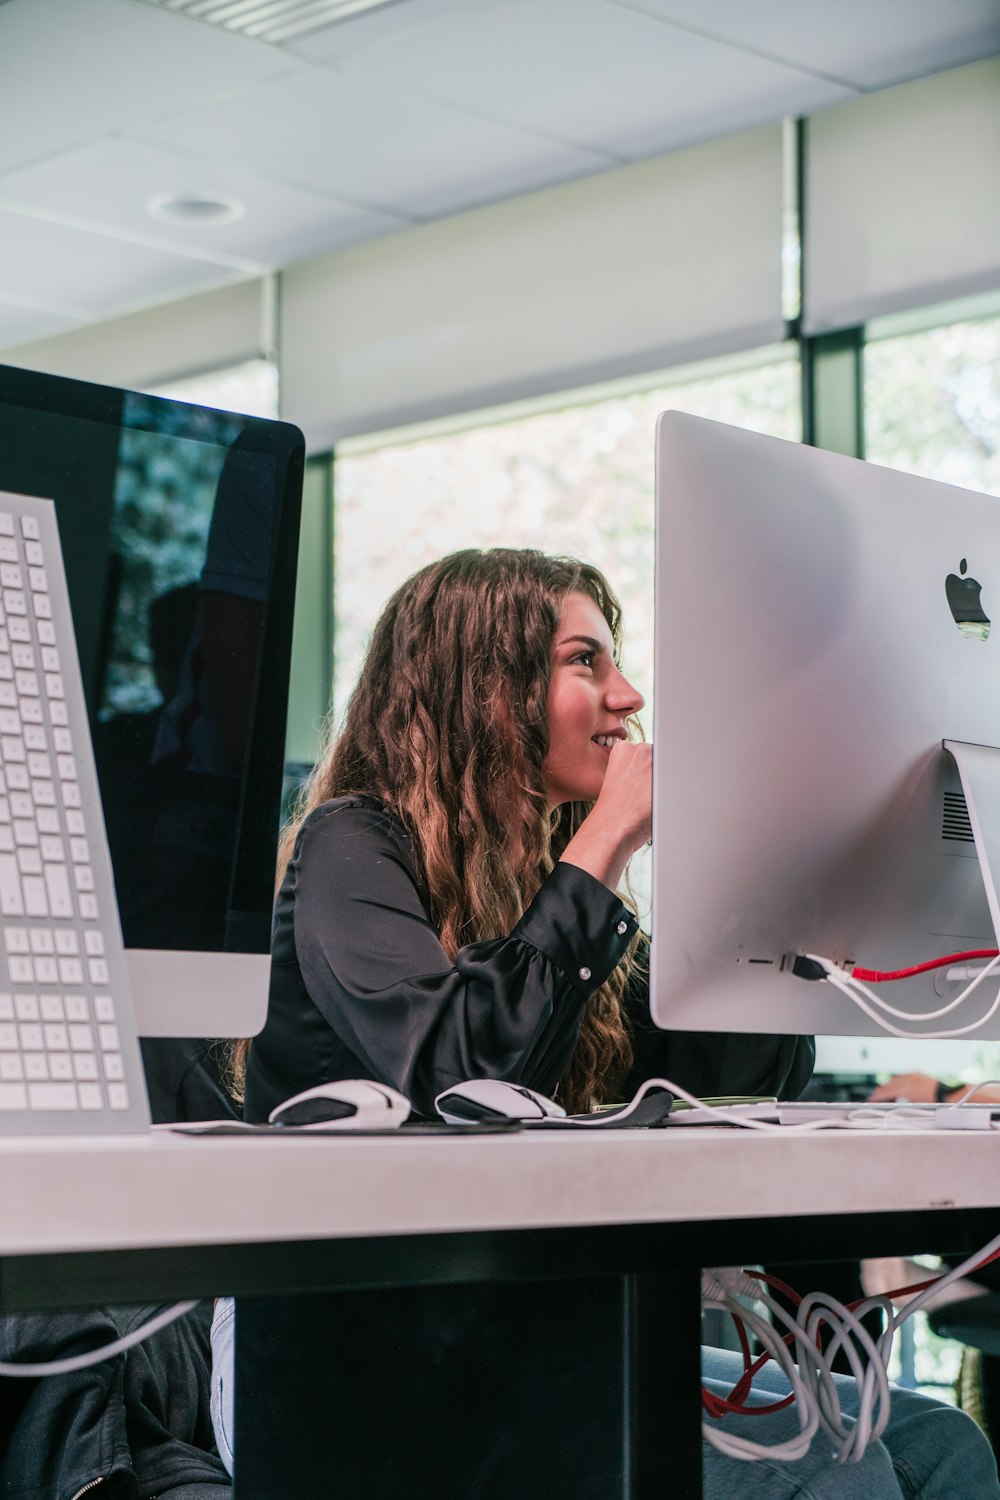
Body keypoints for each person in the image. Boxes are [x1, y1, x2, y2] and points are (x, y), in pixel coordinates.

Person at [220, 547, 998, 1498]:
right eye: (584, 660)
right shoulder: (355, 842)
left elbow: (723, 1068)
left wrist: (777, 890)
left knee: (940, 1445)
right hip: (361, 1342)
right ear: (483, 687)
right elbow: (463, 1077)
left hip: (532, 1319)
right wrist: (604, 845)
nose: (628, 695)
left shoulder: (550, 887)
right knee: (837, 1475)